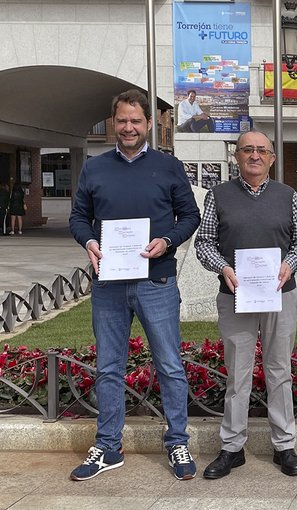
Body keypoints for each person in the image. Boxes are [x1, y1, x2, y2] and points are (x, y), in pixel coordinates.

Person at [69, 89, 201, 481]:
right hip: (109, 285)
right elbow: (79, 218)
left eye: (136, 121)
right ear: (114, 123)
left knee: (170, 366)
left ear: (148, 125)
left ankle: (177, 441)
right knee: (109, 368)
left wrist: (168, 240)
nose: (128, 127)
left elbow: (189, 215)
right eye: (121, 120)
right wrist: (89, 241)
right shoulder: (94, 168)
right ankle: (109, 447)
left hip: (156, 280)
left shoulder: (168, 166)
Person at [195, 130, 297, 479]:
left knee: (279, 371)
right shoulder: (218, 195)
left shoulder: (286, 194)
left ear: (272, 158)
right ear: (236, 156)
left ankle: (284, 446)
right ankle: (232, 448)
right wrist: (223, 268)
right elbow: (204, 243)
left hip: (281, 292)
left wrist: (290, 264)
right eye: (248, 149)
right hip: (235, 294)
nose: (255, 156)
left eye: (262, 150)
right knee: (238, 374)